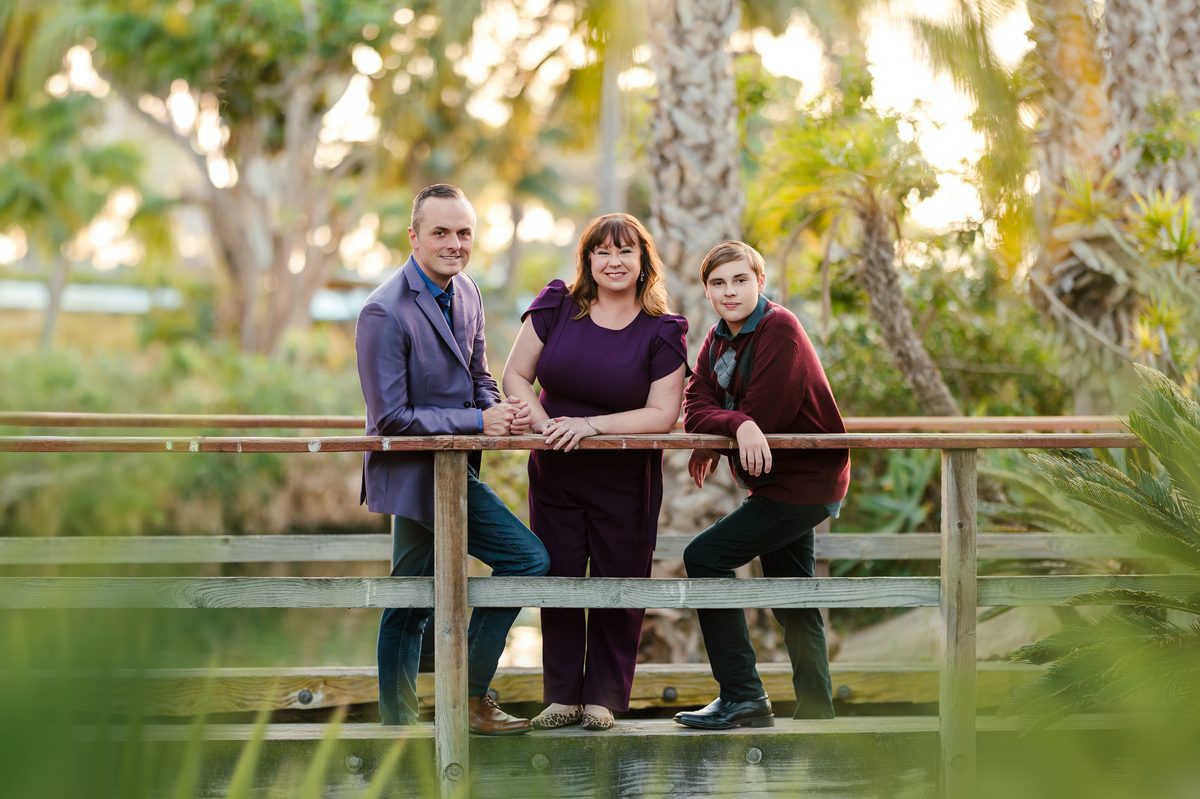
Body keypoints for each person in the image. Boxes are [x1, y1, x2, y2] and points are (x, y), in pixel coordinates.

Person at [355, 183, 550, 734]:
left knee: (410, 598)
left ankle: (400, 725)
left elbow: (478, 376)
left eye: (463, 233)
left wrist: (500, 410)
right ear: (413, 237)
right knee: (527, 560)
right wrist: (478, 422)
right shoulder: (381, 311)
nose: (454, 243)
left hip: (455, 467)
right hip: (413, 475)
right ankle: (466, 698)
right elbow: (390, 418)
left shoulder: (468, 291)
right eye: (440, 232)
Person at [502, 213, 688, 731]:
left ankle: (603, 698)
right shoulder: (557, 306)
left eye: (625, 251)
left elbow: (662, 414)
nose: (613, 261)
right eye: (602, 251)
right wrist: (544, 426)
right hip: (555, 472)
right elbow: (514, 375)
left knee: (619, 583)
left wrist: (590, 426)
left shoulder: (663, 330)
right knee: (557, 577)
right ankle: (562, 696)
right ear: (587, 259)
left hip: (625, 480)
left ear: (643, 261)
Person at [673, 240, 850, 730]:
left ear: (760, 282)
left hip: (804, 482)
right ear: (707, 291)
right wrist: (735, 426)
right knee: (793, 597)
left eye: (740, 280)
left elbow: (765, 413)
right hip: (775, 484)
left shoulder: (779, 328)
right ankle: (817, 712)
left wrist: (737, 424)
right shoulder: (718, 339)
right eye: (718, 283)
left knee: (704, 557)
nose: (729, 292)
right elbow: (694, 406)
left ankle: (743, 696)